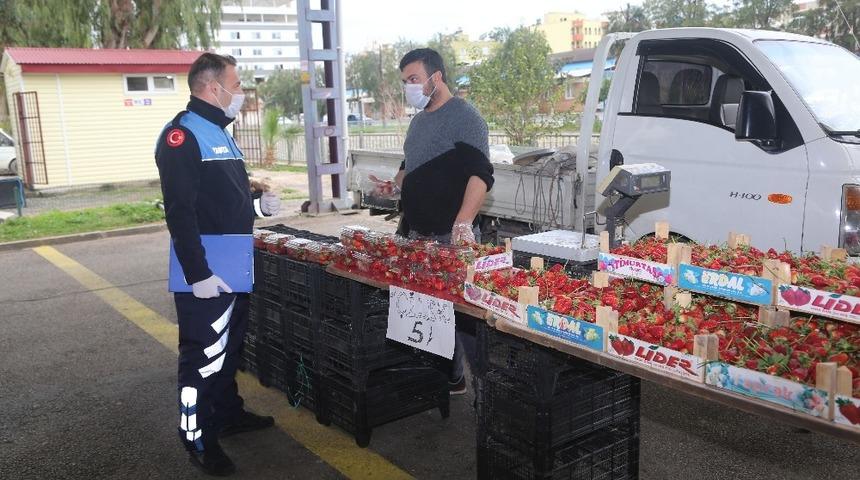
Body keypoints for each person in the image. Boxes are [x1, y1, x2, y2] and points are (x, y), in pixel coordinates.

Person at [155, 52, 281, 476]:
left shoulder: (218, 131)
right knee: (202, 356)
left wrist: (258, 203)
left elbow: (222, 194)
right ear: (213, 88)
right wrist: (198, 275)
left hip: (234, 261)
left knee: (230, 348)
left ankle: (227, 412)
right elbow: (180, 211)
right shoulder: (183, 136)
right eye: (237, 83)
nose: (241, 92)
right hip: (207, 270)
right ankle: (197, 436)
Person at [395, 48, 494, 395]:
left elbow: (480, 175)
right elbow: (409, 168)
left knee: (466, 316)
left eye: (414, 79)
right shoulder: (418, 121)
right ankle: (452, 377)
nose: (409, 86)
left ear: (436, 78)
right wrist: (394, 183)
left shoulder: (465, 117)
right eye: (405, 80)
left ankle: (489, 389)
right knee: (429, 312)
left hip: (451, 236)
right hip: (417, 234)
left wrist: (463, 223)